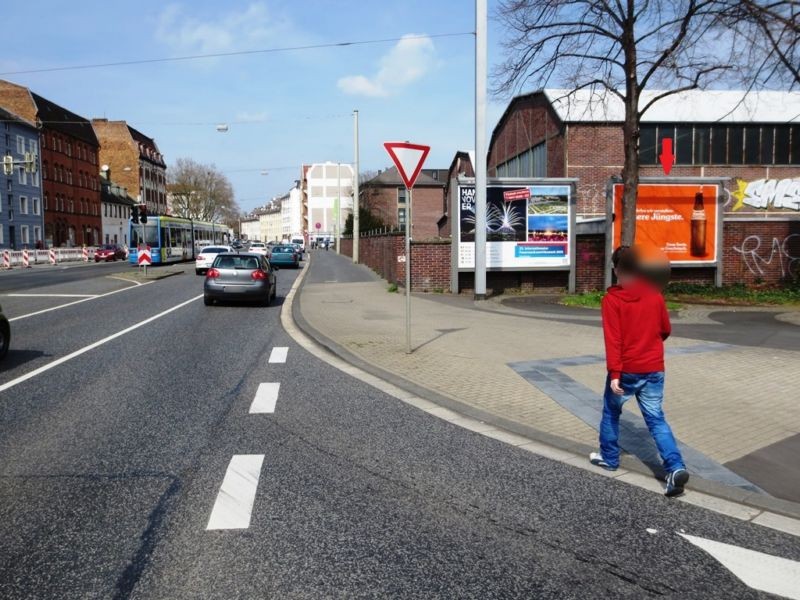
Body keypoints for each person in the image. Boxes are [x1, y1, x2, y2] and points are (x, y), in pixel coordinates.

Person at [590, 245, 689, 497]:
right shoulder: (654, 295)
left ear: (616, 269)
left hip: (626, 370)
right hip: (654, 368)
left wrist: (614, 373)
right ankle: (675, 467)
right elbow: (665, 329)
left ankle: (610, 459)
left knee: (611, 412)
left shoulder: (612, 300)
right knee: (656, 419)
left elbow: (614, 340)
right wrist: (649, 346)